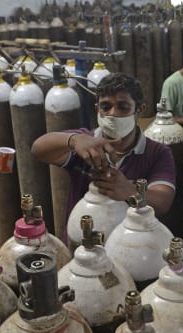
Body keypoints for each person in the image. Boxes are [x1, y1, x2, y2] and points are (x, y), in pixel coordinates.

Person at [31, 72, 175, 230]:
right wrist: (73, 140)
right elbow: (38, 149)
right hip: (83, 239)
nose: (113, 113)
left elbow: (163, 202)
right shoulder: (84, 143)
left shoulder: (157, 152)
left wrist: (130, 191)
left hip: (129, 244)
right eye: (106, 107)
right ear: (97, 109)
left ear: (140, 110)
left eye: (123, 107)